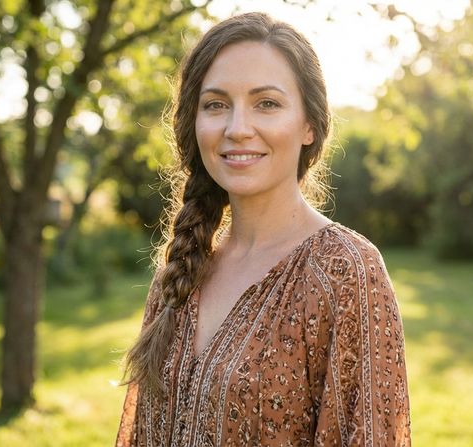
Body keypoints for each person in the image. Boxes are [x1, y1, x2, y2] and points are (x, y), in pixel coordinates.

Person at [116, 12, 410, 447]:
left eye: (266, 103)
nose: (237, 129)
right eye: (216, 104)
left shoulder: (346, 272)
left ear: (310, 125)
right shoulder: (179, 275)